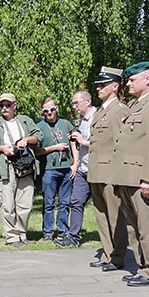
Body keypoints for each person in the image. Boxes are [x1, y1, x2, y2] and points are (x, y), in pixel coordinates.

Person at [112, 61, 149, 287]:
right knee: (133, 226)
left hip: (140, 177)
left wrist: (148, 177)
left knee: (147, 227)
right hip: (127, 175)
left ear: (147, 80)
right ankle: (142, 266)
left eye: (132, 80)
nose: (127, 84)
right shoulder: (136, 106)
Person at [0, 92, 42, 247]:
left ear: (14, 105)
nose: (4, 108)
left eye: (7, 105)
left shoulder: (25, 121)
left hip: (25, 166)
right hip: (6, 167)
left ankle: (22, 234)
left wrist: (25, 140)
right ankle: (11, 237)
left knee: (25, 203)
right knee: (8, 204)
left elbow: (38, 136)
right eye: (2, 105)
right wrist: (1, 148)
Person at [87, 67, 129, 270]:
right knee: (101, 215)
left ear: (115, 86)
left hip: (110, 172)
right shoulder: (101, 111)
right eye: (98, 85)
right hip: (96, 171)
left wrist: (118, 174)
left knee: (115, 216)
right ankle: (107, 253)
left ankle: (118, 256)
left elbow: (121, 144)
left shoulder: (119, 110)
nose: (99, 88)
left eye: (103, 85)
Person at [56, 90, 94, 247]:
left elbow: (106, 144)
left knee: (105, 207)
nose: (74, 107)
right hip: (82, 169)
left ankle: (115, 239)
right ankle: (73, 237)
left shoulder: (97, 118)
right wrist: (76, 161)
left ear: (88, 101)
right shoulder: (82, 120)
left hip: (97, 170)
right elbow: (79, 142)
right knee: (76, 202)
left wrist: (83, 141)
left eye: (76, 103)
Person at [33, 97, 74, 242]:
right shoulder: (39, 127)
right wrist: (54, 148)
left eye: (52, 109)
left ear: (56, 108)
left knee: (64, 202)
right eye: (46, 110)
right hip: (49, 170)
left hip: (66, 169)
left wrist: (75, 164)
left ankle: (63, 231)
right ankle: (48, 233)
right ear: (42, 112)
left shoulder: (65, 123)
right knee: (48, 203)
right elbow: (37, 151)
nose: (49, 112)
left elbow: (75, 143)